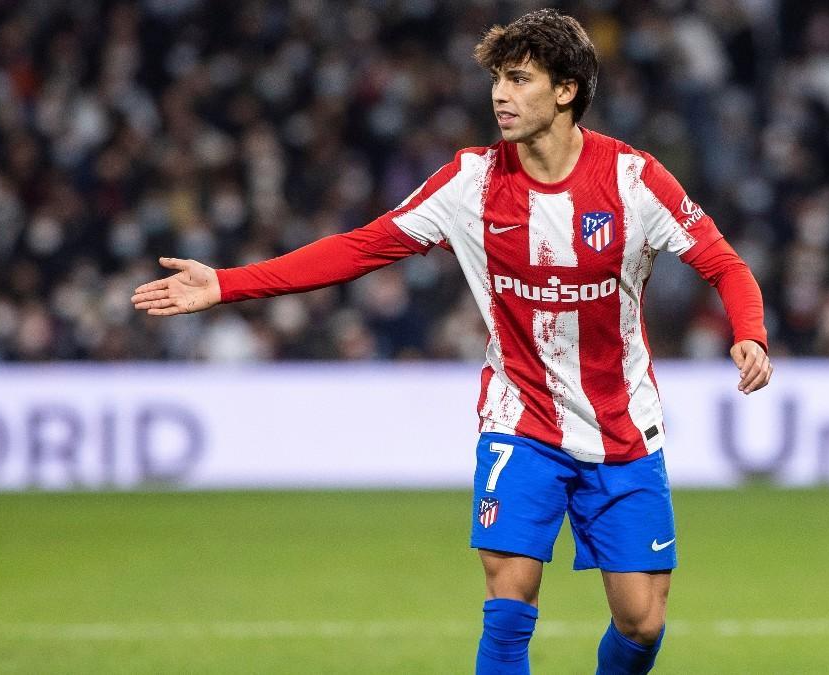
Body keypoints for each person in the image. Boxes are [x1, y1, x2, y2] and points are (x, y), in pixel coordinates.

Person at [132, 9, 771, 674]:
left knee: (641, 622)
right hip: (520, 423)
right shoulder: (471, 182)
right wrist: (228, 284)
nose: (500, 93)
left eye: (520, 78)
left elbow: (724, 264)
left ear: (567, 90)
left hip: (623, 428)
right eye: (497, 78)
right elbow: (360, 247)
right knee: (509, 599)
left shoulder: (633, 181)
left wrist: (748, 334)